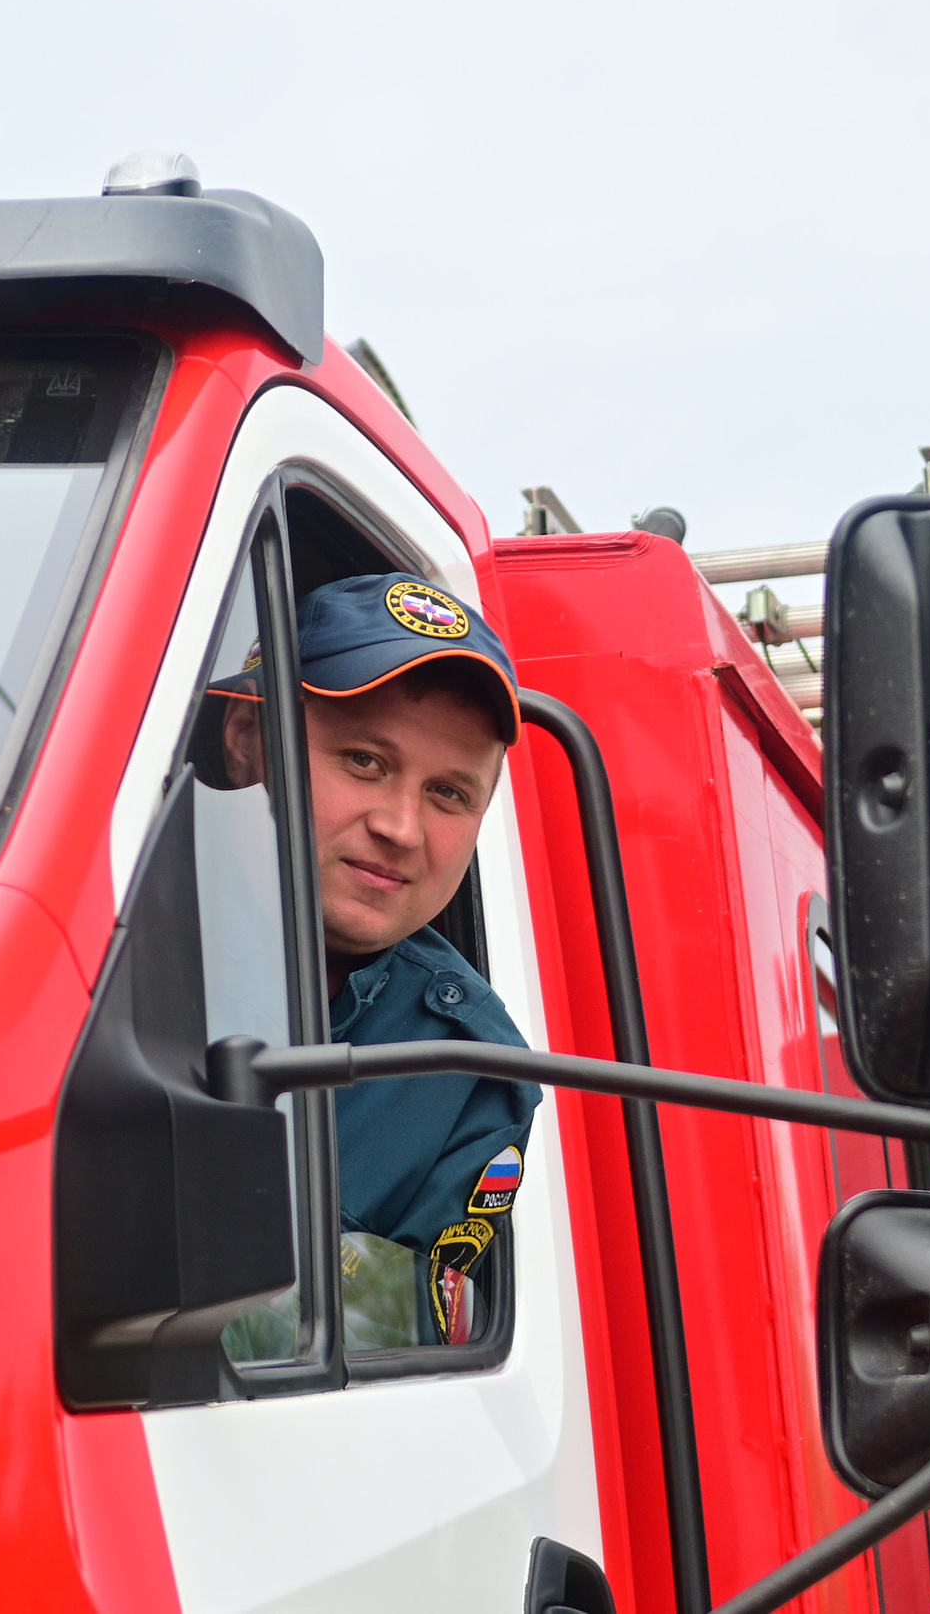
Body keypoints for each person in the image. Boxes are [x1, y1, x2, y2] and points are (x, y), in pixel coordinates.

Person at [206, 573, 540, 1344]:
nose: (401, 826)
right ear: (247, 742)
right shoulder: (99, 940)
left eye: (450, 794)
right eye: (363, 760)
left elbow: (380, 1358)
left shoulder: (469, 1068)